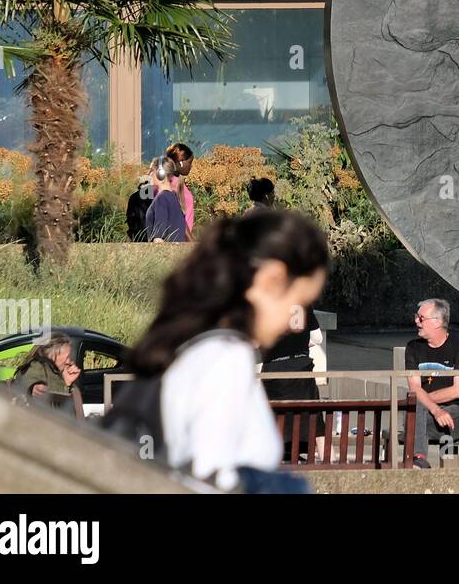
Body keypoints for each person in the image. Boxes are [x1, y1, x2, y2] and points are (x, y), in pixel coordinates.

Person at [119, 208, 330, 492]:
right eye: (299, 300)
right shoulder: (226, 358)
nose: (293, 319)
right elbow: (209, 477)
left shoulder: (198, 345)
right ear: (271, 280)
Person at [404, 298, 459, 469]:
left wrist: (424, 401)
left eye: (421, 318)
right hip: (431, 412)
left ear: (437, 322)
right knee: (415, 416)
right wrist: (435, 409)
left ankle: (432, 466)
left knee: (416, 420)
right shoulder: (413, 348)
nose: (416, 321)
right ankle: (420, 459)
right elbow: (414, 388)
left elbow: (458, 391)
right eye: (416, 316)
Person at [261, 305, 324, 463]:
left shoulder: (268, 302)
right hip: (301, 367)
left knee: (270, 415)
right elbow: (318, 338)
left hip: (274, 371)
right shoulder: (303, 302)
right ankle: (328, 457)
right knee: (314, 417)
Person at [12, 333, 82, 414]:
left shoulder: (42, 369)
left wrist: (66, 382)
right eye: (67, 357)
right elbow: (57, 409)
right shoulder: (40, 371)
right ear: (53, 354)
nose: (69, 362)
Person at [149, 143, 196, 239]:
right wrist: (190, 240)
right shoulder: (170, 184)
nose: (191, 166)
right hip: (176, 239)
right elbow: (178, 215)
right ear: (181, 162)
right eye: (190, 162)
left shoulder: (178, 181)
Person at [145, 157, 188, 242]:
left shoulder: (162, 198)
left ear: (160, 174)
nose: (148, 175)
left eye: (151, 171)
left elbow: (159, 236)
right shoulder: (174, 197)